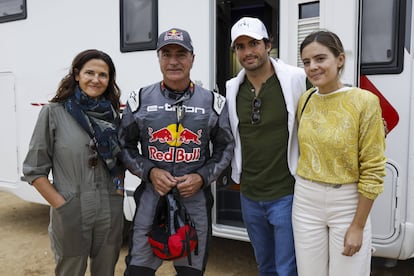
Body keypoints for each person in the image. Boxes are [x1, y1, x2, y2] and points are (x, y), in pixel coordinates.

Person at [119, 28, 234, 276]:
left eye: (181, 54)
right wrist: (149, 172)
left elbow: (226, 148)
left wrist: (202, 177)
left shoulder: (213, 102)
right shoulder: (139, 100)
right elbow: (124, 146)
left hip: (195, 201)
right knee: (137, 271)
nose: (173, 61)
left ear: (192, 58)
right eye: (166, 54)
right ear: (159, 58)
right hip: (151, 198)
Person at [22, 49, 125, 276]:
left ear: (109, 80)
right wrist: (62, 206)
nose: (96, 80)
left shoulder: (113, 116)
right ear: (77, 75)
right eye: (90, 73)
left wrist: (118, 193)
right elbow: (34, 170)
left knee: (106, 271)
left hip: (110, 208)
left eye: (103, 75)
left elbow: (120, 162)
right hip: (71, 208)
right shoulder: (53, 113)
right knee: (70, 271)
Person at [292, 30, 386, 276]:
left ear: (340, 59)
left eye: (320, 59)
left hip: (347, 202)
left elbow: (373, 169)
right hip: (305, 200)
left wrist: (358, 225)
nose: (313, 67)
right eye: (307, 62)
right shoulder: (306, 100)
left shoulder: (365, 101)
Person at [226, 17, 308, 276]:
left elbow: (330, 95)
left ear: (268, 45)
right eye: (240, 46)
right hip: (249, 193)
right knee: (265, 265)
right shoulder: (232, 88)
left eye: (254, 43)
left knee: (287, 268)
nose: (248, 52)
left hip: (285, 192)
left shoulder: (296, 78)